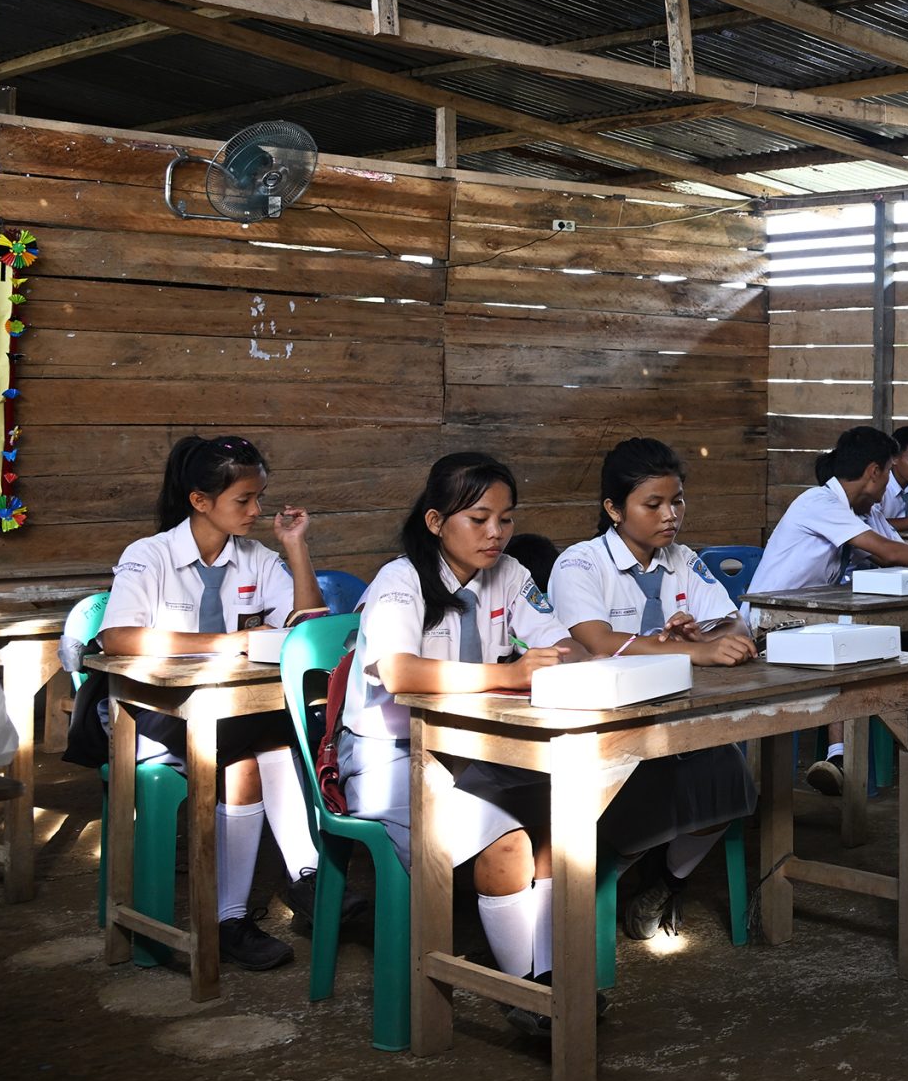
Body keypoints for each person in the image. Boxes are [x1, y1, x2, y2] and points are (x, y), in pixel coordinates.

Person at [335, 452, 583, 1035]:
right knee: (507, 841)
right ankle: (525, 993)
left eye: (506, 518)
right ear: (435, 522)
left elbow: (561, 646)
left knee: (560, 823)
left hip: (476, 751)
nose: (495, 533)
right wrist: (512, 674)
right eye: (478, 518)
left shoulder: (513, 575)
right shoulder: (400, 581)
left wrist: (559, 656)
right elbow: (400, 673)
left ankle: (546, 980)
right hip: (390, 758)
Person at [97, 435, 348, 970]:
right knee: (265, 744)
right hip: (158, 714)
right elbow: (117, 637)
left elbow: (307, 628)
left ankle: (263, 901)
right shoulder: (150, 555)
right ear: (199, 500)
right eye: (244, 500)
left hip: (232, 713)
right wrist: (223, 643)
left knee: (276, 739)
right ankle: (271, 897)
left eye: (260, 497)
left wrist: (295, 546)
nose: (257, 510)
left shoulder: (255, 556)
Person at [545, 438, 760, 940]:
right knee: (632, 796)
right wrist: (695, 651)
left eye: (677, 500)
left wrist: (701, 635)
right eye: (653, 504)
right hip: (608, 730)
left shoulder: (682, 559)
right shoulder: (580, 564)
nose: (671, 515)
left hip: (678, 717)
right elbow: (595, 641)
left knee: (730, 775)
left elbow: (737, 630)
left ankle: (665, 881)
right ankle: (607, 874)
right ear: (614, 509)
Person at [758, 427, 908, 810]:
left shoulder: (867, 511)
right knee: (852, 638)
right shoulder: (819, 502)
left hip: (823, 619)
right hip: (775, 624)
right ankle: (842, 754)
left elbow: (898, 550)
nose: (890, 480)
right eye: (890, 470)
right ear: (875, 471)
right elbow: (887, 554)